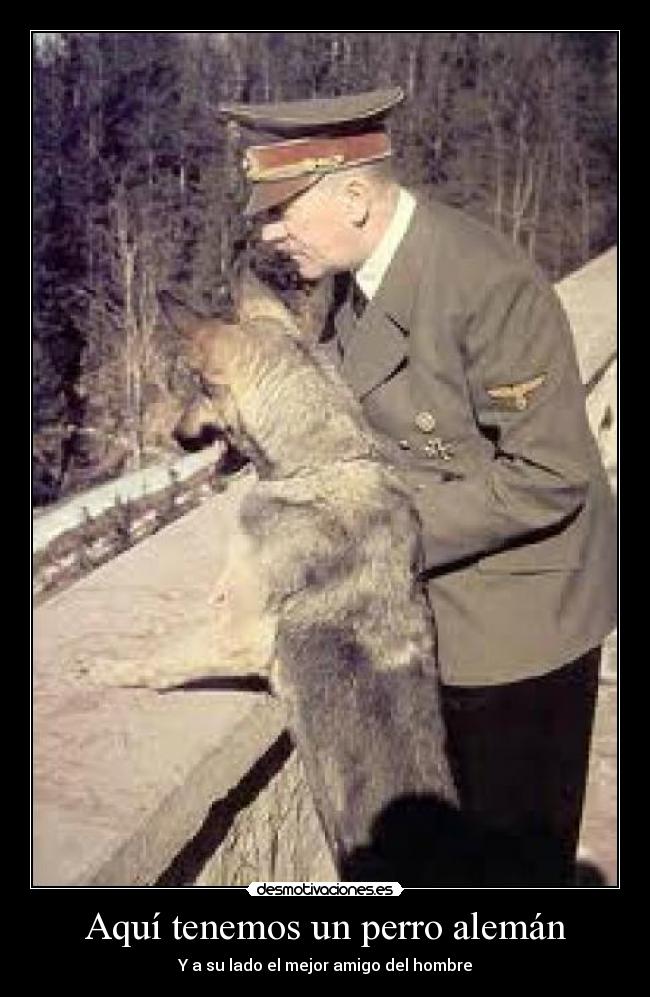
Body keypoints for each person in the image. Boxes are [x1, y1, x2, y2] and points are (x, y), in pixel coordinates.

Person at [218, 87, 617, 886]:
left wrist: (365, 534)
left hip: (520, 623)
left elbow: (550, 475)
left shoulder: (484, 284)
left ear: (357, 196)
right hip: (435, 610)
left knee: (513, 881)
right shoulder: (347, 282)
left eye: (280, 212)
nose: (268, 233)